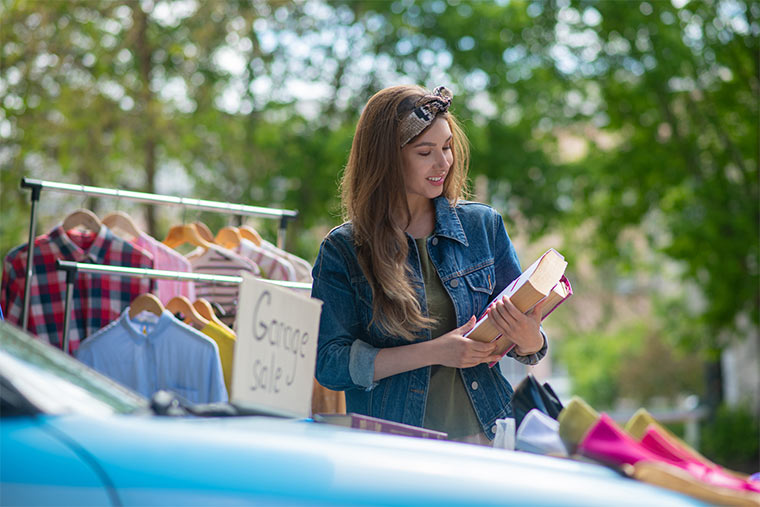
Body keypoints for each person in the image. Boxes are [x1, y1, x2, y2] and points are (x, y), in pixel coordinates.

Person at [311, 84, 548, 444]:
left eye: (447, 147)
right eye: (426, 152)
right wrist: (437, 352)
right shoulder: (344, 249)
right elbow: (330, 364)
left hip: (488, 438)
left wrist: (531, 340)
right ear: (387, 158)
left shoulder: (483, 227)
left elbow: (524, 342)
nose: (443, 163)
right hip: (395, 450)